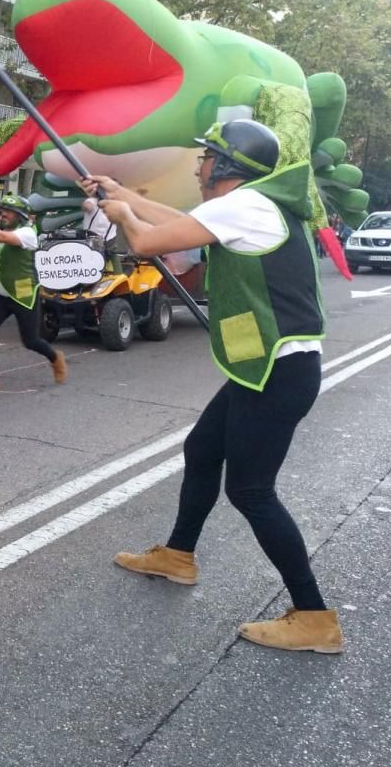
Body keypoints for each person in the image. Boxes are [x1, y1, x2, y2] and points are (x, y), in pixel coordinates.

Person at [87, 119, 341, 654]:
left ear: (226, 165)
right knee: (202, 451)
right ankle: (178, 555)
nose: (199, 165)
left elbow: (150, 239)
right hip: (271, 369)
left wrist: (124, 213)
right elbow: (185, 223)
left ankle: (315, 617)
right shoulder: (250, 205)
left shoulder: (244, 205)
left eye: (205, 156)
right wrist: (123, 193)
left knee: (251, 490)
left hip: (277, 372)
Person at [0, 193, 67, 392]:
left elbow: (2, 238)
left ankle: (55, 358)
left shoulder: (28, 233)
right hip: (2, 294)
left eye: (10, 212)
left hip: (24, 294)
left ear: (20, 216)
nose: (4, 214)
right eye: (3, 210)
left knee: (30, 341)